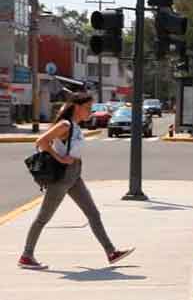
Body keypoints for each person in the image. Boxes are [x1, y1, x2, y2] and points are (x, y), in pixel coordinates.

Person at [19, 92, 134, 270]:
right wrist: (59, 158)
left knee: (93, 214)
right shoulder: (65, 125)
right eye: (88, 108)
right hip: (62, 178)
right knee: (43, 217)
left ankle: (111, 252)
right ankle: (26, 256)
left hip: (74, 176)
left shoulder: (75, 126)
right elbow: (41, 141)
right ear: (77, 107)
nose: (90, 112)